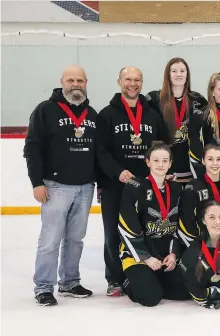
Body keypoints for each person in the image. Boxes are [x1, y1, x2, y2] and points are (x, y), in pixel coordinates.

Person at [24, 65, 97, 306]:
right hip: (55, 186)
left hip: (85, 186)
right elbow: (32, 148)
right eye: (70, 80)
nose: (75, 84)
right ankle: (44, 286)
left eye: (80, 80)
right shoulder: (45, 110)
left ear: (86, 83)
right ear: (62, 82)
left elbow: (99, 152)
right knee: (51, 239)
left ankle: (69, 282)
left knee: (76, 239)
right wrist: (37, 183)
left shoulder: (92, 114)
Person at [96, 66, 168, 297]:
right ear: (119, 81)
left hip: (146, 187)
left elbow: (162, 146)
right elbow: (100, 151)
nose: (132, 83)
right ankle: (115, 279)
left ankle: (136, 274)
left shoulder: (152, 115)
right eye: (128, 79)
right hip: (115, 185)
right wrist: (117, 172)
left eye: (137, 79)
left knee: (141, 231)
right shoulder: (106, 114)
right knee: (113, 233)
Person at [118, 141, 189, 307]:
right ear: (148, 162)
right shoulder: (135, 187)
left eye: (165, 161)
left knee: (186, 291)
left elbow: (178, 226)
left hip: (163, 256)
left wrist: (173, 254)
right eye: (156, 160)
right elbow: (126, 224)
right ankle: (130, 282)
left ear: (170, 164)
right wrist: (146, 257)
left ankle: (152, 280)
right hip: (138, 256)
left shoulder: (177, 189)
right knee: (151, 298)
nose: (160, 164)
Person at [146, 57, 208, 184]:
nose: (178, 74)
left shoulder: (198, 100)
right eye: (174, 71)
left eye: (182, 71)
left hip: (191, 169)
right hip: (163, 171)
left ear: (187, 74)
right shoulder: (154, 99)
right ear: (168, 74)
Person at [178, 143, 220, 248]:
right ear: (203, 161)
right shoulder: (193, 187)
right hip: (203, 242)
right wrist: (197, 248)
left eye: (218, 159)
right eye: (210, 159)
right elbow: (186, 224)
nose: (215, 163)